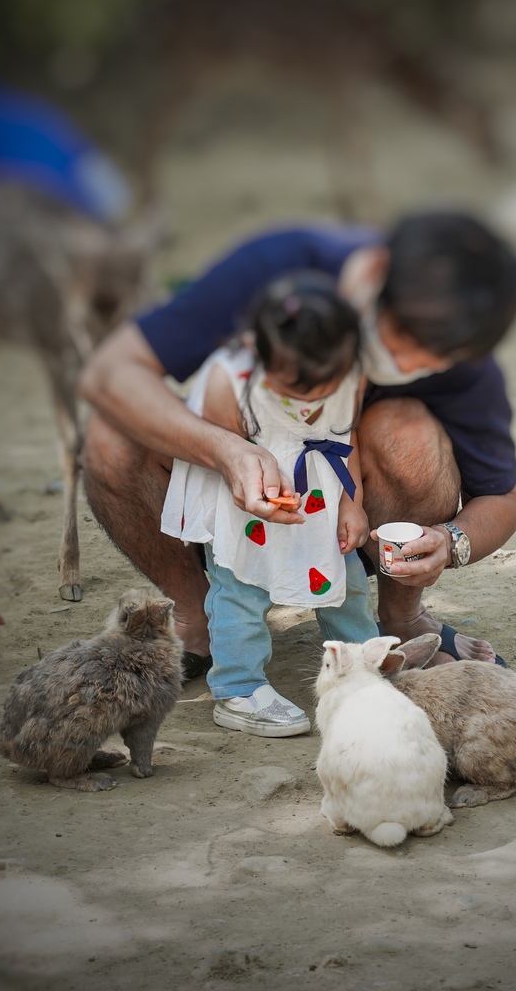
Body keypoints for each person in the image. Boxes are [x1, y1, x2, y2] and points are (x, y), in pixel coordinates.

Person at [79, 210, 516, 680]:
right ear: (375, 273)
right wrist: (226, 450)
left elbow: (500, 495)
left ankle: (403, 617)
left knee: (406, 427)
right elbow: (111, 373)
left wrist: (451, 542)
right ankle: (196, 617)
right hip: (222, 518)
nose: (411, 363)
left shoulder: (461, 343)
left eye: (438, 359)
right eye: (404, 340)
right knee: (111, 433)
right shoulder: (281, 266)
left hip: (351, 530)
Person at [161, 271, 377, 735]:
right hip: (243, 494)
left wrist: (351, 503)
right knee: (240, 586)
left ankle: (362, 670)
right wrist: (258, 490)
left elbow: (344, 436)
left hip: (321, 491)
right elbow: (219, 452)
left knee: (348, 579)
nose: (315, 396)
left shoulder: (351, 372)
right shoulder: (229, 383)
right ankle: (238, 687)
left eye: (326, 384)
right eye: (296, 387)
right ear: (259, 352)